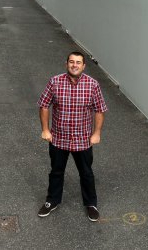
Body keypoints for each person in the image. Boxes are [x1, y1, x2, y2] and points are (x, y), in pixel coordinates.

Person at [37, 51, 108, 222]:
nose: (74, 65)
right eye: (71, 62)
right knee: (56, 171)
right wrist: (45, 129)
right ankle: (52, 201)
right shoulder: (55, 82)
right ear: (66, 64)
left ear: (83, 66)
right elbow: (44, 105)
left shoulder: (92, 85)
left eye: (78, 62)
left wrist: (97, 133)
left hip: (82, 140)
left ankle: (91, 204)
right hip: (58, 138)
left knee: (86, 173)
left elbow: (100, 109)